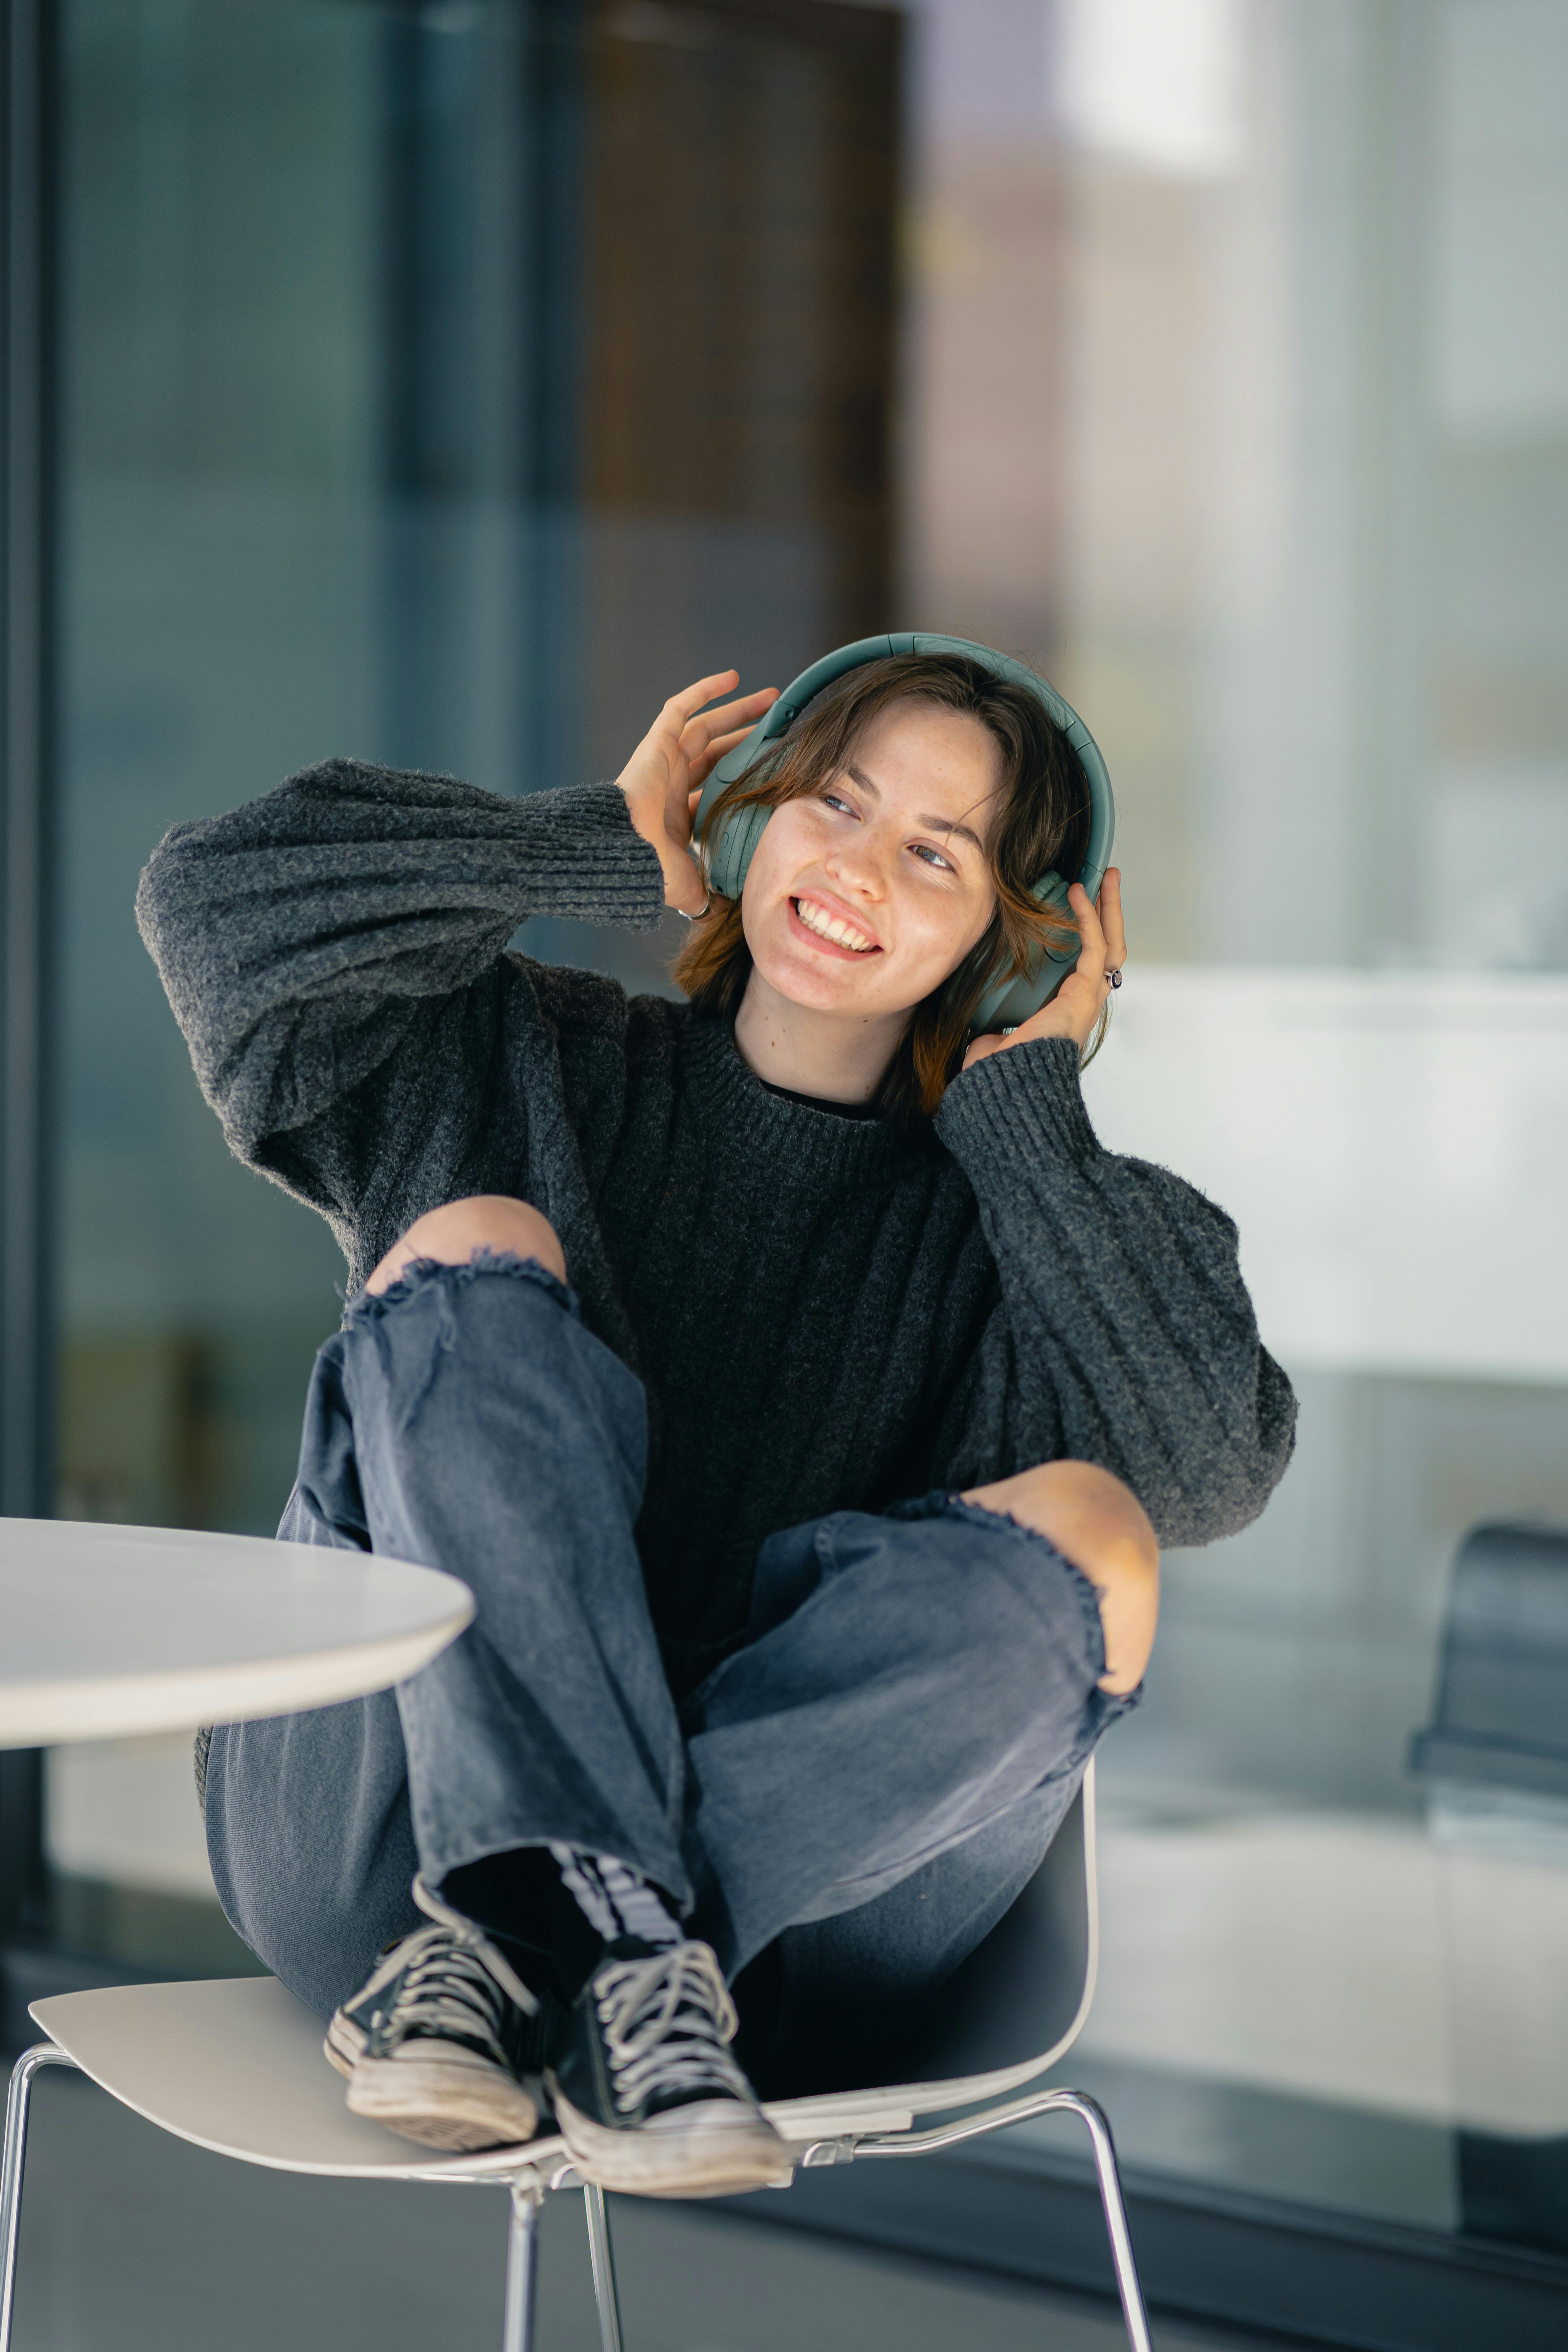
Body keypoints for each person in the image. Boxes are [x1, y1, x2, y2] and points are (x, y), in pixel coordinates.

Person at [137, 651, 1295, 2199]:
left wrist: (1029, 1103)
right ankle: (562, 1907)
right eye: (837, 800)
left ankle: (589, 1929)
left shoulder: (1030, 1220)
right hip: (384, 1870)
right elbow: (216, 907)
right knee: (475, 1232)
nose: (861, 867)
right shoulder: (511, 1057)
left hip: (763, 1979)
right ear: (747, 816)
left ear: (1011, 948)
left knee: (1104, 1530)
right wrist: (599, 849)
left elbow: (1211, 1463)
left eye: (938, 855)